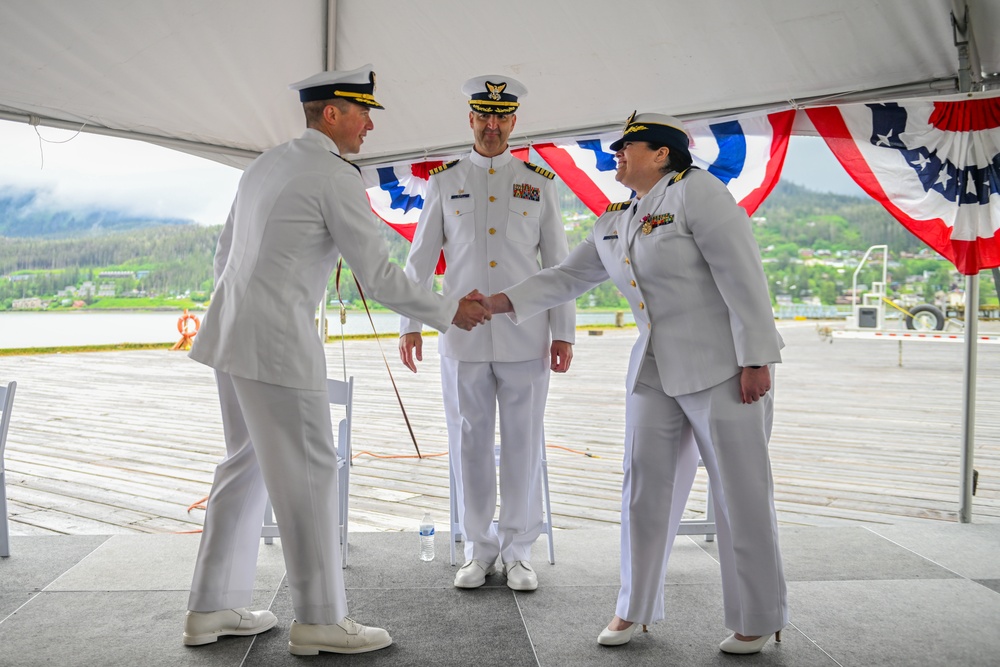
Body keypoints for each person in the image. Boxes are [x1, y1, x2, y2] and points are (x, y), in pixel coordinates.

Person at [183, 64, 490, 656]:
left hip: (230, 335)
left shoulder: (265, 164)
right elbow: (379, 276)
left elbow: (225, 254)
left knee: (242, 467)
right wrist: (452, 310)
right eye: (362, 112)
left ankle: (209, 608)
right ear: (332, 114)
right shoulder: (333, 175)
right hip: (275, 345)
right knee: (311, 474)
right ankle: (320, 619)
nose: (370, 125)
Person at [477, 112, 788, 654]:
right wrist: (500, 302)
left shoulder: (700, 194)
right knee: (643, 491)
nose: (616, 155)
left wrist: (757, 357)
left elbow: (743, 273)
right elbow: (569, 276)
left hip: (724, 369)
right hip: (654, 371)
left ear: (662, 153)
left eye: (627, 147)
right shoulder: (618, 217)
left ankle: (758, 616)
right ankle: (633, 607)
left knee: (741, 495)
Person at [398, 75, 575, 591]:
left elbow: (559, 265)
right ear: (471, 119)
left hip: (526, 337)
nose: (492, 125)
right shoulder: (444, 181)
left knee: (523, 441)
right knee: (469, 443)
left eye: (502, 117)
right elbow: (421, 259)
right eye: (484, 115)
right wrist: (412, 322)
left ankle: (519, 550)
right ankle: (478, 549)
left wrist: (563, 331)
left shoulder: (538, 183)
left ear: (514, 122)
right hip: (463, 338)